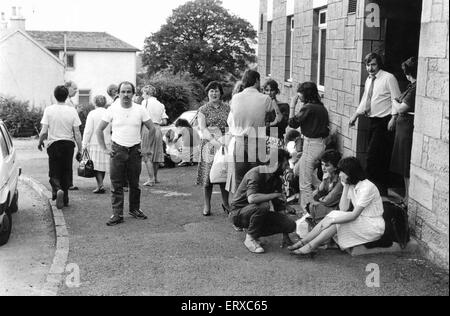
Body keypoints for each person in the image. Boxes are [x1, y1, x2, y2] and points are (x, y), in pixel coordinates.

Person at [289, 157, 385, 256]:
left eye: (341, 172)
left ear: (349, 172)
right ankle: (304, 242)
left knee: (336, 222)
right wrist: (346, 186)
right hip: (362, 221)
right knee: (334, 214)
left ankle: (310, 246)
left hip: (373, 225)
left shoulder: (367, 187)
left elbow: (354, 215)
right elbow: (343, 208)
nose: (339, 175)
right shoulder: (352, 185)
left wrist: (332, 221)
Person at [97, 81, 155, 227]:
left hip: (135, 150)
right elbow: (99, 129)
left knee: (134, 183)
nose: (126, 95)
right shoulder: (112, 109)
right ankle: (117, 214)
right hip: (117, 150)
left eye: (129, 92)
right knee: (116, 184)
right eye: (123, 92)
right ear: (118, 93)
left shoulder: (140, 109)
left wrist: (147, 148)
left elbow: (152, 128)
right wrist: (105, 149)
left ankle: (134, 209)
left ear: (133, 93)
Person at [349, 53, 401, 196]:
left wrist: (394, 117)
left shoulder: (388, 78)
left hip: (384, 121)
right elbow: (366, 98)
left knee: (374, 157)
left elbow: (396, 99)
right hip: (372, 121)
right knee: (374, 156)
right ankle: (377, 190)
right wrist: (355, 115)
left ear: (379, 64)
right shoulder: (369, 80)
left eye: (373, 65)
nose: (370, 68)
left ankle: (373, 191)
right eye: (368, 65)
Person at [230, 149, 297, 254]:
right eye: (285, 164)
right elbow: (252, 198)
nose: (287, 167)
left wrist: (286, 235)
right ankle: (250, 238)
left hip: (256, 212)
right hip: (238, 214)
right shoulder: (256, 173)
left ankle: (255, 233)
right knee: (263, 206)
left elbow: (279, 207)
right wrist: (276, 195)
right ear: (276, 163)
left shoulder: (277, 180)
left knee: (290, 224)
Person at [227, 70, 281, 194]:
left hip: (239, 140)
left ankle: (239, 208)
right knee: (257, 179)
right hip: (257, 141)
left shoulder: (235, 98)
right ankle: (255, 207)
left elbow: (231, 119)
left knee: (240, 179)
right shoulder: (265, 99)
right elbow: (276, 118)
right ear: (256, 80)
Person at [38, 85, 82, 209]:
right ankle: (65, 198)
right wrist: (80, 148)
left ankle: (57, 190)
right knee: (66, 170)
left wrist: (40, 141)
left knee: (54, 171)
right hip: (68, 145)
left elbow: (44, 131)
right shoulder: (72, 110)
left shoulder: (49, 110)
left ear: (55, 96)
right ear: (67, 96)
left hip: (54, 144)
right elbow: (77, 132)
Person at [289, 82, 330, 214]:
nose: (298, 95)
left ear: (306, 93)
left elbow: (292, 123)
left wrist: (292, 105)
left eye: (300, 92)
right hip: (319, 144)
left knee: (304, 183)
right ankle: (321, 188)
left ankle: (309, 212)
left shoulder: (308, 108)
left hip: (311, 145)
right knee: (296, 170)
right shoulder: (321, 107)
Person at [197, 81, 230, 217]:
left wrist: (224, 141)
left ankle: (226, 203)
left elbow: (231, 126)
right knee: (207, 177)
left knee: (223, 174)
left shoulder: (228, 108)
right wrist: (213, 141)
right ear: (207, 93)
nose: (214, 93)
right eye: (211, 91)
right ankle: (207, 205)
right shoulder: (203, 109)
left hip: (224, 144)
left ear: (220, 93)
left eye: (216, 90)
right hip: (209, 146)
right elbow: (203, 128)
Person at [390, 57, 417, 206]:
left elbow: (401, 107)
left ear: (408, 73)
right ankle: (406, 196)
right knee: (403, 164)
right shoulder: (410, 87)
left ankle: (408, 198)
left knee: (406, 164)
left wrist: (394, 101)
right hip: (403, 127)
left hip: (406, 128)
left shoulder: (414, 89)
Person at [82, 95, 111, 194]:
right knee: (101, 165)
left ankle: (100, 185)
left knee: (96, 165)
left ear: (95, 103)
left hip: (94, 142)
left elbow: (88, 130)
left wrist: (84, 143)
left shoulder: (92, 113)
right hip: (106, 142)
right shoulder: (108, 112)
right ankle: (100, 184)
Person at [306, 150, 343, 227]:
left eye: (327, 165)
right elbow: (314, 195)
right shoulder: (328, 176)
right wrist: (323, 181)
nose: (323, 168)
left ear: (335, 167)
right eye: (322, 164)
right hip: (329, 204)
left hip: (338, 209)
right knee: (311, 205)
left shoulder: (341, 180)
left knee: (314, 206)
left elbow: (327, 200)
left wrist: (320, 199)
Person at [141, 85, 168, 186]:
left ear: (147, 93)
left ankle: (151, 179)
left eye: (143, 93)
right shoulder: (160, 104)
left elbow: (141, 117)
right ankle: (155, 178)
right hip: (157, 129)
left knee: (147, 154)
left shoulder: (145, 102)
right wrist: (156, 122)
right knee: (156, 154)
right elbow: (165, 121)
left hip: (147, 128)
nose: (142, 95)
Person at [64, 80, 80, 191]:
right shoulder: (67, 102)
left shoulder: (68, 100)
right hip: (67, 135)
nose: (76, 90)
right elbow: (71, 119)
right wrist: (77, 111)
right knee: (67, 163)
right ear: (68, 88)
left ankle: (65, 183)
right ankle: (68, 183)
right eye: (74, 88)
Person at [263, 79, 289, 148]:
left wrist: (274, 104)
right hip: (262, 137)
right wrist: (272, 123)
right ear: (264, 91)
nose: (269, 93)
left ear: (276, 91)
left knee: (275, 158)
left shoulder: (284, 106)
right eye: (267, 90)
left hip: (276, 137)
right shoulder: (261, 106)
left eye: (272, 90)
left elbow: (283, 124)